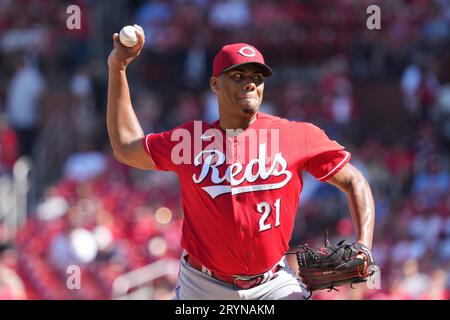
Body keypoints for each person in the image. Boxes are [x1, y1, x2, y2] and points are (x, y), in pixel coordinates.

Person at [106, 25, 375, 300]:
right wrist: (118, 68)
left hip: (272, 283)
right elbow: (126, 148)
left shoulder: (296, 135)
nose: (250, 83)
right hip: (203, 286)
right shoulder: (191, 140)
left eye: (257, 77)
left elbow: (355, 180)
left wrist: (364, 245)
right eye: (238, 75)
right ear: (214, 84)